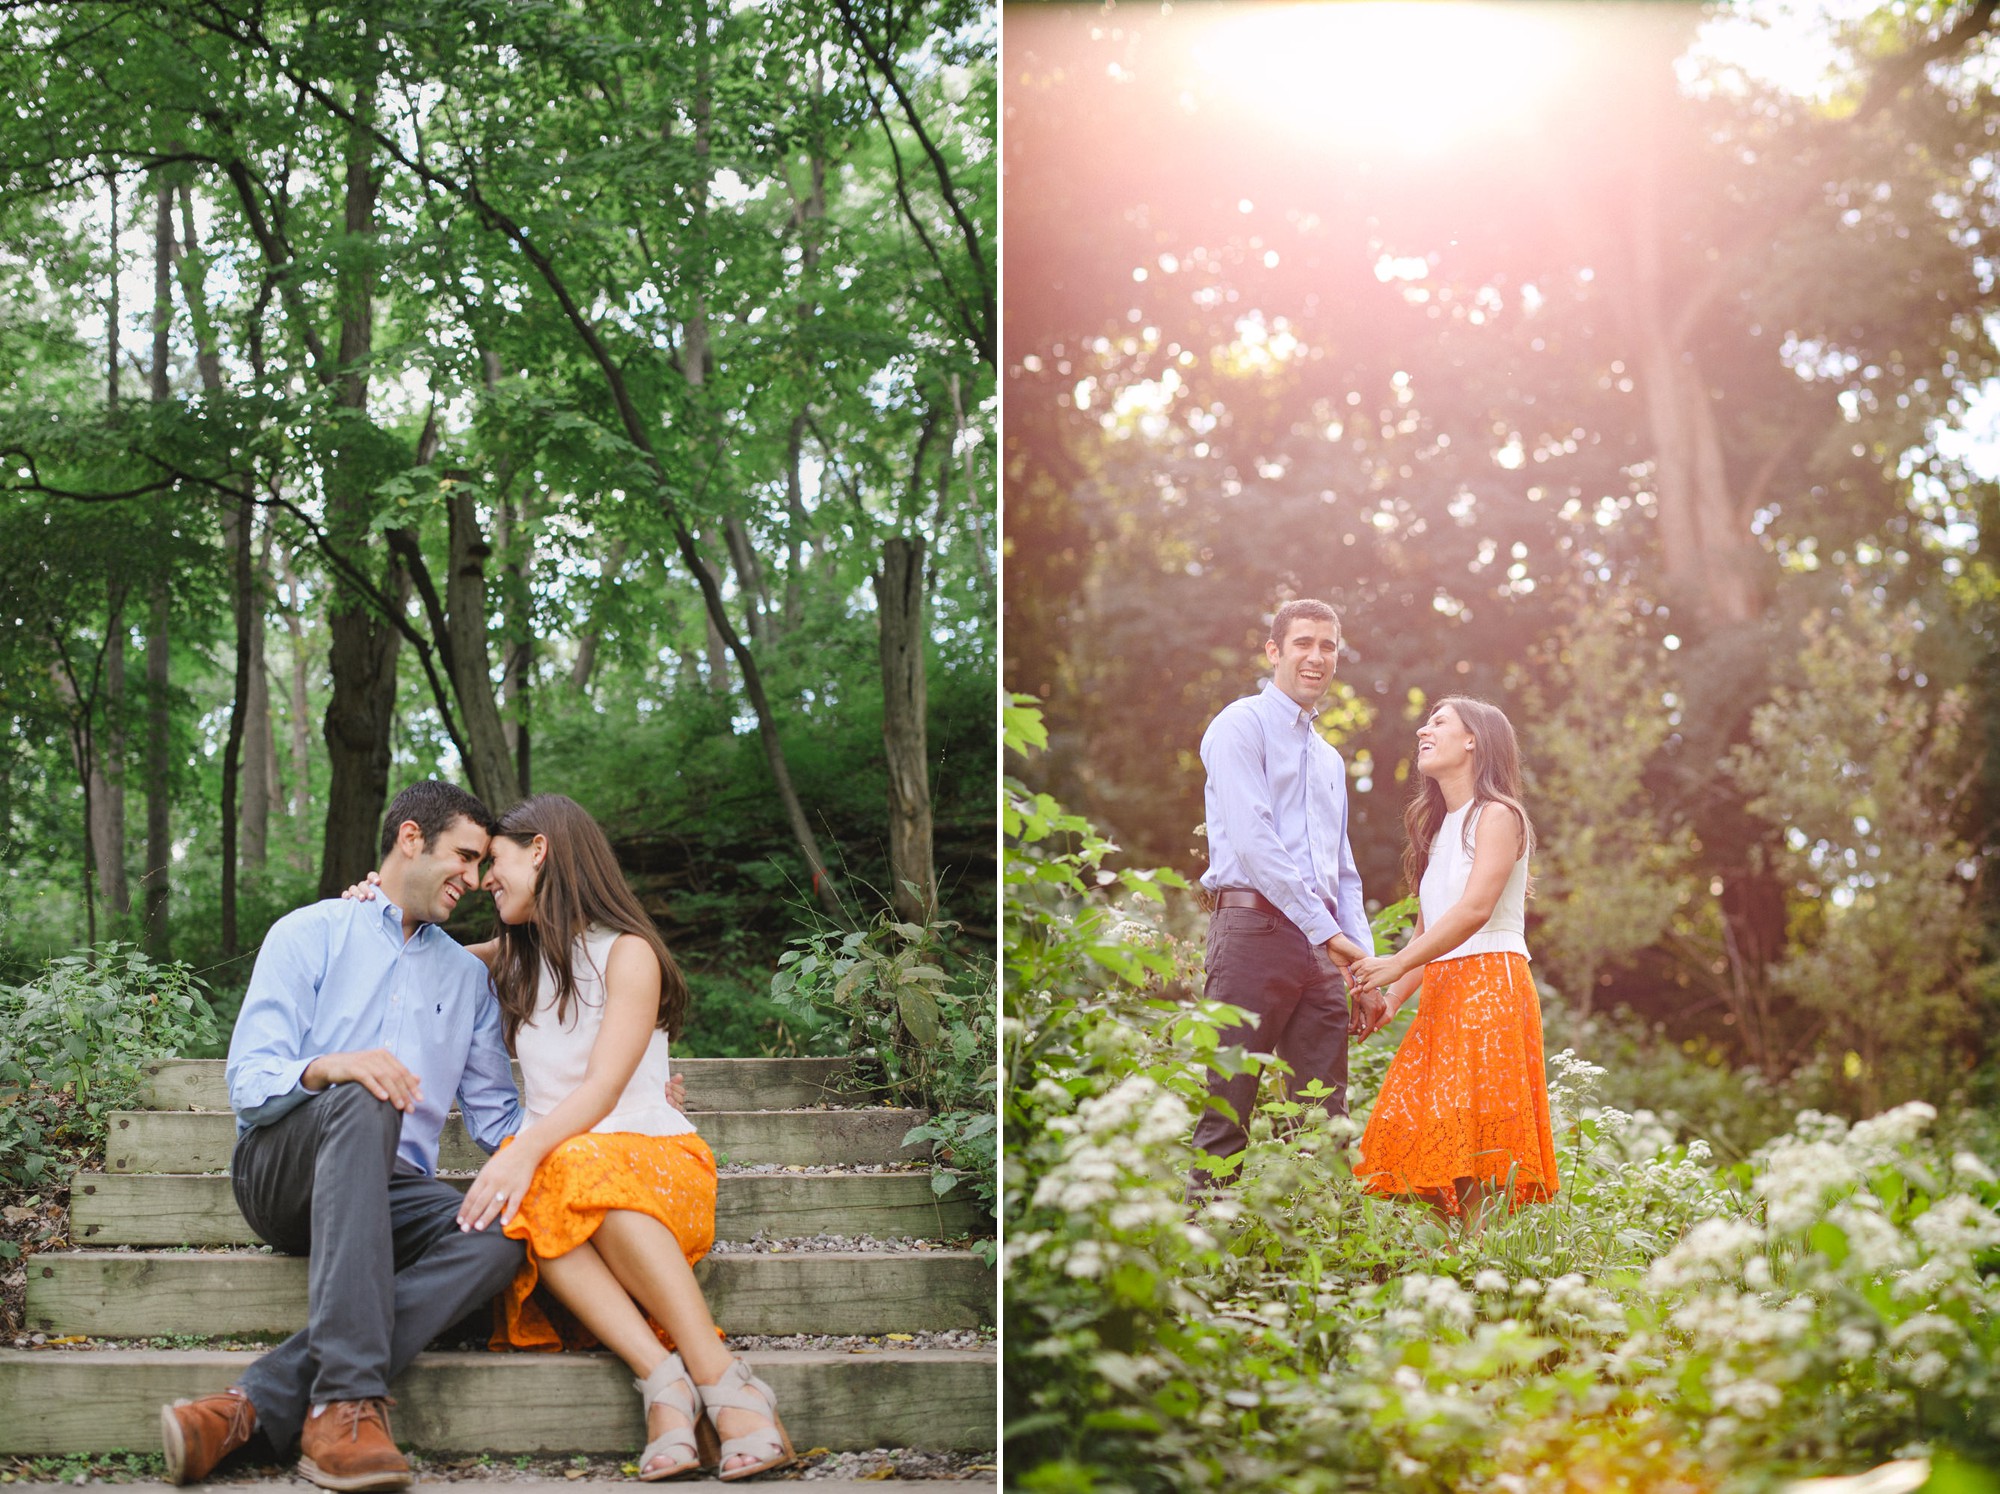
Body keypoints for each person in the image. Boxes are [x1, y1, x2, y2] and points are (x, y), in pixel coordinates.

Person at [353, 793, 791, 1481]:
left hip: (653, 1163)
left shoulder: (629, 953)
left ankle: (722, 1379)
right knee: (546, 1180)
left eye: (493, 860)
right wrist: (373, 902)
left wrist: (521, 1150)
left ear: (541, 850)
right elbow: (416, 954)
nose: (482, 880)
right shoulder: (514, 956)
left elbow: (603, 1092)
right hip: (569, 1175)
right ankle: (664, 1380)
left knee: (556, 1163)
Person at [160, 781, 520, 1491]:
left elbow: (500, 1124)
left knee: (504, 1231)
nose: (475, 881)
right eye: (465, 857)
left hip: (389, 1192)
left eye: (482, 867)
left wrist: (616, 1118)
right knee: (366, 1093)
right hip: (284, 1170)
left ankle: (249, 1408)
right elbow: (251, 1080)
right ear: (410, 839)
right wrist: (331, 1067)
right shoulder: (309, 932)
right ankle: (346, 1402)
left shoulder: (465, 980)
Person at [1347, 696, 1560, 1235]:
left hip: (1492, 985)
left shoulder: (1500, 815)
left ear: (1474, 740)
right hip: (1443, 992)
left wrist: (1393, 965)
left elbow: (1473, 911)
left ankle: (1485, 1280)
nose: (1424, 728)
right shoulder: (1440, 829)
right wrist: (1392, 1000)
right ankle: (1455, 1273)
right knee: (1426, 1133)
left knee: (1482, 1151)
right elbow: (1429, 930)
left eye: (1439, 722)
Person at [1190, 597, 1380, 1190]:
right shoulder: (1239, 725)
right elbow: (1253, 842)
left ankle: (1315, 1265)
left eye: (1328, 646)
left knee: (1323, 1120)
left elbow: (1343, 872)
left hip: (1322, 951)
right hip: (1253, 933)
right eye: (1303, 643)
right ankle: (1203, 1261)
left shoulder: (1328, 759)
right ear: (1274, 651)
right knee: (1228, 1107)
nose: (1316, 657)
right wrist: (1332, 937)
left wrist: (1367, 965)